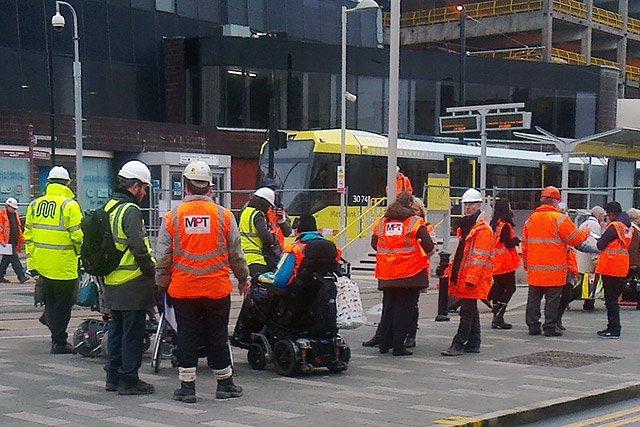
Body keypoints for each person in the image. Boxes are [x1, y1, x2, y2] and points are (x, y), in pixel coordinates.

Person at [156, 161, 250, 403]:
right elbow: (236, 254)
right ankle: (225, 384)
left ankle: (187, 388)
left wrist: (162, 284)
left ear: (185, 187)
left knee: (186, 335)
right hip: (216, 289)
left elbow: (163, 257)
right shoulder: (225, 216)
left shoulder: (172, 217)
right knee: (217, 335)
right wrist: (243, 279)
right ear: (210, 188)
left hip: (183, 289)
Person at [102, 160, 157, 395]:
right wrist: (150, 270)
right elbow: (138, 247)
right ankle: (129, 380)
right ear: (134, 186)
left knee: (116, 331)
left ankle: (112, 377)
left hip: (112, 281)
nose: (145, 193)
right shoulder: (130, 210)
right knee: (132, 334)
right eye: (144, 188)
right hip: (132, 283)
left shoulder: (109, 207)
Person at [24, 166, 83, 354]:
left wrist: (33, 266)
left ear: (48, 183)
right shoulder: (70, 205)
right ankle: (58, 341)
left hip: (43, 265)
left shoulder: (34, 205)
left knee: (51, 301)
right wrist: (82, 257)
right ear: (67, 183)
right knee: (64, 304)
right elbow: (78, 237)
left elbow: (29, 237)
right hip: (64, 264)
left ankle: (50, 322)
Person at [522, 186, 592, 337]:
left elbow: (525, 244)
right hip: (554, 269)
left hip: (535, 269)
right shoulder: (559, 219)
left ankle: (533, 326)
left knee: (533, 298)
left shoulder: (531, 219)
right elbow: (575, 239)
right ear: (555, 201)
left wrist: (527, 264)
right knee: (552, 300)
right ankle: (550, 327)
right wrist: (585, 232)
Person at [372, 191, 433, 356]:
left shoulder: (381, 222)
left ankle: (384, 344)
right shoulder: (414, 222)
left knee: (389, 309)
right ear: (409, 205)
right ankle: (398, 346)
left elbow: (374, 244)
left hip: (387, 273)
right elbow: (428, 245)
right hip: (409, 274)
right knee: (404, 310)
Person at [441, 188, 493, 356]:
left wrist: (470, 278)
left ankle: (458, 343)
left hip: (473, 277)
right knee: (470, 310)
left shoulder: (482, 229)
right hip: (467, 275)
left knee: (467, 311)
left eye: (471, 204)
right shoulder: (468, 227)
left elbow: (479, 257)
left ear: (479, 205)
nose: (468, 207)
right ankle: (473, 343)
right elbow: (462, 254)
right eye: (466, 204)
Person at [595, 201, 631, 339]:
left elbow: (601, 244)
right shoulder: (627, 227)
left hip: (611, 266)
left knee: (610, 300)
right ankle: (614, 327)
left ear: (611, 213)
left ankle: (614, 328)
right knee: (614, 299)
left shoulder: (615, 226)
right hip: (621, 266)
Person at [488, 198, 520, 330]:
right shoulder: (505, 225)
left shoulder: (494, 224)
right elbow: (508, 243)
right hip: (506, 262)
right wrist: (517, 240)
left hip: (496, 262)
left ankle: (496, 315)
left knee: (499, 289)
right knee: (510, 288)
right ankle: (498, 315)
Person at [239, 187, 281, 277]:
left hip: (244, 257)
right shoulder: (258, 214)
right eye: (267, 205)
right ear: (263, 203)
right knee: (260, 288)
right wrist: (273, 238)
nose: (267, 208)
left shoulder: (245, 212)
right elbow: (266, 236)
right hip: (256, 259)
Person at [575, 206, 606, 311]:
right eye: (603, 215)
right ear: (599, 215)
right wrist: (595, 259)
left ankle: (588, 302)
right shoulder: (595, 226)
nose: (604, 217)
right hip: (588, 258)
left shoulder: (584, 224)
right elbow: (594, 243)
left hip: (581, 257)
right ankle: (588, 303)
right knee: (589, 282)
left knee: (584, 282)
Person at [556, 203, 578, 331]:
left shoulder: (568, 224)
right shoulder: (557, 224)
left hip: (569, 266)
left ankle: (557, 318)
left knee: (566, 294)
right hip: (559, 266)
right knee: (557, 295)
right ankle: (554, 320)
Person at [0, 197, 28, 284]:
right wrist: (2, 240)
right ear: (7, 206)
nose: (14, 210)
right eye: (13, 208)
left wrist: (21, 239)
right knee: (15, 259)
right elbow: (0, 229)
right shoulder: (2, 216)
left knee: (6, 261)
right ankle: (21, 276)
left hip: (13, 241)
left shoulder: (15, 215)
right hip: (6, 243)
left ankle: (0, 276)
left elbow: (18, 228)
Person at [263, 178, 292, 250]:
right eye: (269, 189)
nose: (272, 193)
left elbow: (287, 232)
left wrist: (282, 221)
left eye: (273, 190)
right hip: (265, 250)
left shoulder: (280, 209)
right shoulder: (259, 208)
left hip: (278, 250)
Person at [626, 208, 640, 310]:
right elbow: (634, 247)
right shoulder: (635, 230)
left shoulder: (629, 229)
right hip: (636, 260)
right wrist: (634, 262)